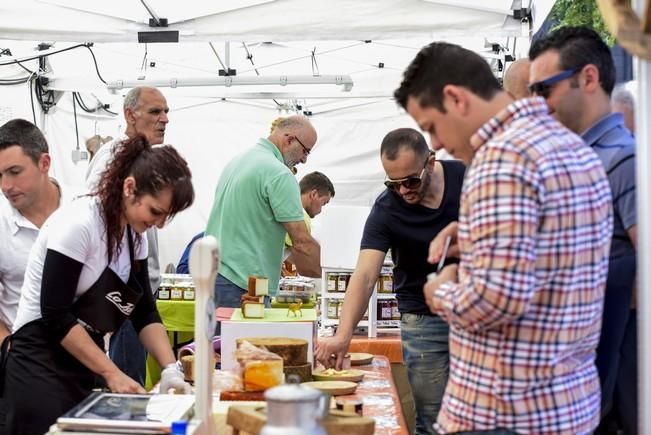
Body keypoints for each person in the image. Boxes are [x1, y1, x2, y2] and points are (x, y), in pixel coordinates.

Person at [396, 41, 613, 434]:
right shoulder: (570, 145)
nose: (438, 144)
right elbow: (555, 249)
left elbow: (495, 301)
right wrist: (477, 235)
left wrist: (439, 290)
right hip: (565, 405)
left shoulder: (500, 160)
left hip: (504, 412)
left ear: (455, 98)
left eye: (431, 127)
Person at [2, 136, 193, 435]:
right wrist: (110, 372)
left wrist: (170, 368)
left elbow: (144, 312)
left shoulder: (134, 236)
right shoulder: (79, 224)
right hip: (38, 363)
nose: (159, 224)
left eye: (166, 217)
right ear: (129, 188)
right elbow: (55, 313)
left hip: (82, 360)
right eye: (155, 212)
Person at [315, 128, 464, 435]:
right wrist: (343, 335)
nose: (403, 191)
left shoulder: (470, 179)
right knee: (433, 416)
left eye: (410, 181)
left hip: (478, 312)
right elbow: (366, 275)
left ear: (431, 162)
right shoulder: (387, 208)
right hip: (423, 317)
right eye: (393, 184)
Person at [529, 26, 638, 434]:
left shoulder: (623, 160)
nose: (539, 103)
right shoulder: (579, 158)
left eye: (545, 89)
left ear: (588, 78)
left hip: (609, 378)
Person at [86, 86, 170, 385]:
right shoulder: (115, 157)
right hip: (121, 286)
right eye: (155, 112)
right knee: (123, 380)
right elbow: (96, 217)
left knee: (131, 373)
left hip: (137, 285)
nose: (164, 119)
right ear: (129, 115)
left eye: (166, 112)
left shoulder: (144, 157)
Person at [205, 116, 321, 316]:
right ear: (289, 139)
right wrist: (332, 277)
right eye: (305, 151)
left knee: (216, 346)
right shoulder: (279, 174)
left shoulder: (237, 161)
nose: (304, 159)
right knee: (242, 347)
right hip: (244, 286)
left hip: (215, 275)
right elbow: (301, 241)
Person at [0, 119, 63, 434]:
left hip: (85, 363)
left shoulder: (81, 210)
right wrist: (9, 349)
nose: (5, 186)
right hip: (23, 368)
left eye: (14, 172)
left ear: (45, 163)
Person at [283, 171, 335, 264]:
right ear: (313, 194)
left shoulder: (284, 206)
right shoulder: (301, 216)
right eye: (324, 203)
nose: (321, 210)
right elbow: (304, 261)